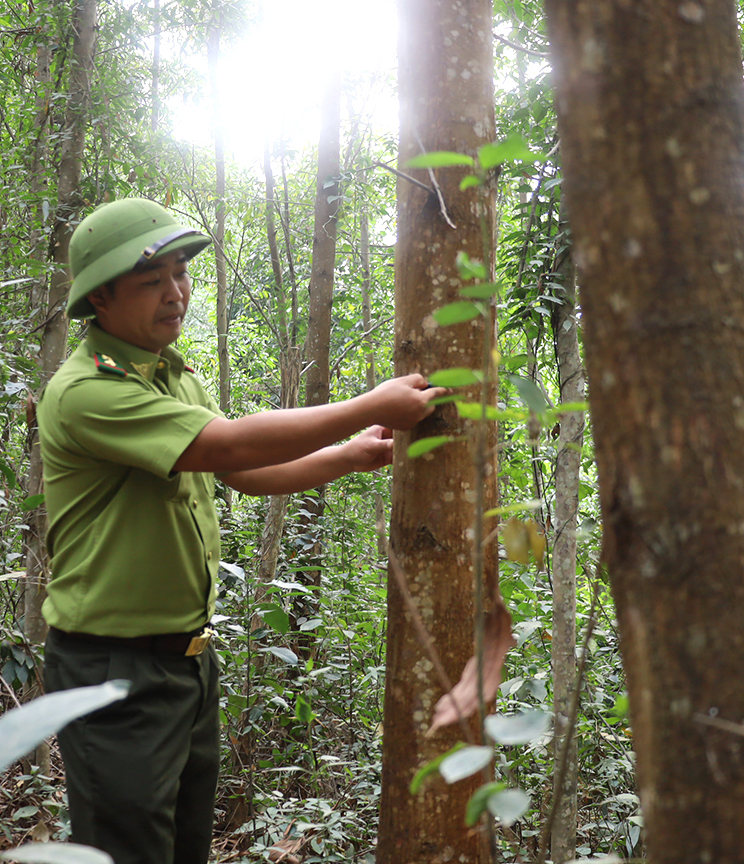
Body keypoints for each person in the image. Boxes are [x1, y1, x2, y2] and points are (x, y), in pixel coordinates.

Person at [37, 197, 445, 864]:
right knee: (129, 851)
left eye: (181, 274)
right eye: (151, 281)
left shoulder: (171, 374)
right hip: (113, 669)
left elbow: (243, 473)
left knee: (184, 846)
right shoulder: (86, 391)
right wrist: (368, 404)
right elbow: (226, 446)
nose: (176, 294)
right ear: (101, 300)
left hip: (189, 663)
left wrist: (351, 454)